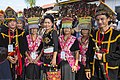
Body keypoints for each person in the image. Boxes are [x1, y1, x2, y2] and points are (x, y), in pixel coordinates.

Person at [85, 1, 120, 80]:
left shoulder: (117, 35)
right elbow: (89, 52)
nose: (100, 22)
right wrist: (87, 68)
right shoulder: (93, 34)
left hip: (111, 71)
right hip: (95, 70)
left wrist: (104, 57)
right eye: (97, 20)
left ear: (108, 19)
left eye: (102, 19)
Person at [0, 7, 28, 80]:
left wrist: (18, 56)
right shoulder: (3, 33)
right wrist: (7, 57)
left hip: (19, 59)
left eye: (14, 21)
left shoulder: (21, 33)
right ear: (7, 23)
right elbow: (1, 47)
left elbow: (24, 47)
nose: (12, 23)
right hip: (6, 60)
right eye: (10, 21)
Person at [39, 14, 58, 79]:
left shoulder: (53, 32)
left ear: (52, 23)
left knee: (52, 75)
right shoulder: (44, 32)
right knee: (46, 75)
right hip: (45, 56)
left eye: (48, 23)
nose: (47, 24)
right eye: (45, 22)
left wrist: (54, 58)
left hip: (51, 56)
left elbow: (56, 46)